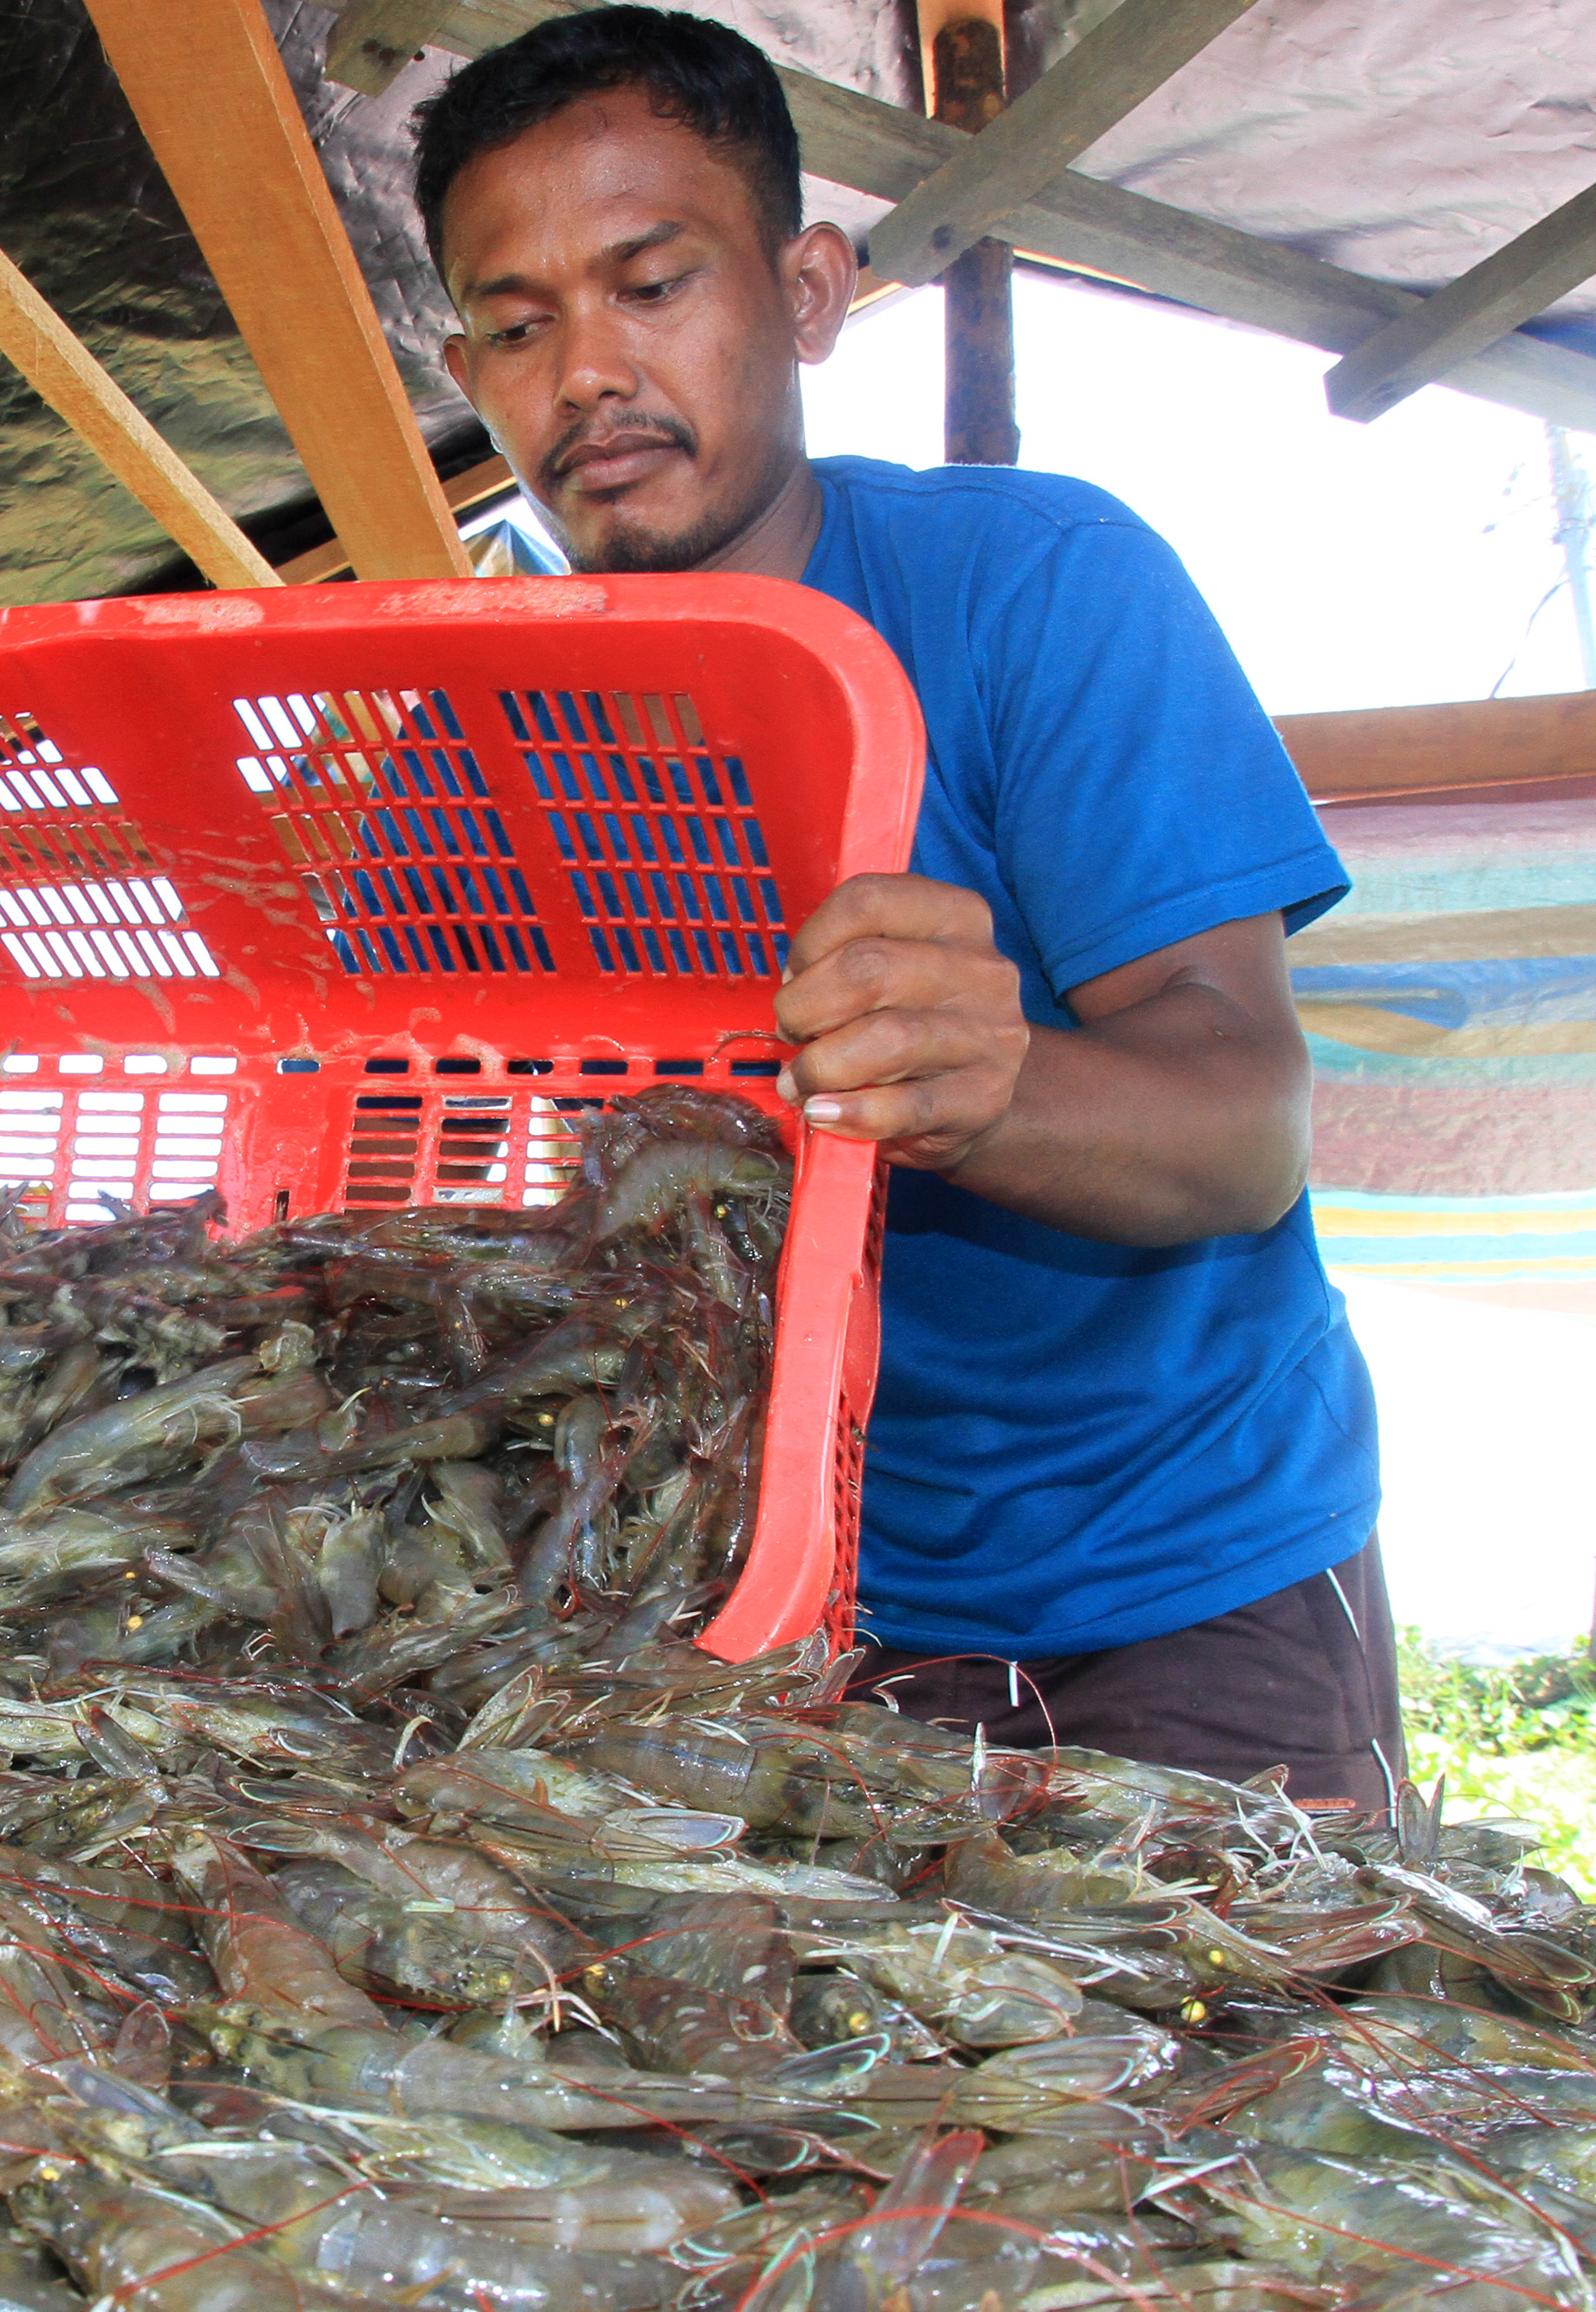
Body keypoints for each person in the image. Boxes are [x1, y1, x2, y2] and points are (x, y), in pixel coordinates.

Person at [410, 10, 1393, 1807]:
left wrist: (988, 1080)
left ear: (801, 294)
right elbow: (418, 1169)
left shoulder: (1037, 587)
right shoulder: (464, 742)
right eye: (517, 322)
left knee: (1217, 2061)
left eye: (649, 283)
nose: (585, 377)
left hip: (1183, 1575)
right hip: (784, 1610)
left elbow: (1244, 1125)